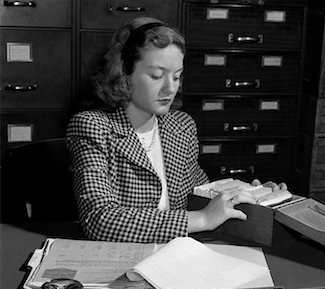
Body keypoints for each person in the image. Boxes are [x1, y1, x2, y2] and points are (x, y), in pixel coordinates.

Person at [66, 17, 287, 243]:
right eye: (156, 75)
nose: (170, 88)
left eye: (176, 76)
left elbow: (198, 192)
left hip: (177, 255)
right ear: (125, 72)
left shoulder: (181, 125)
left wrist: (250, 195)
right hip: (124, 258)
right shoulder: (93, 127)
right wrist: (201, 219)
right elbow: (99, 219)